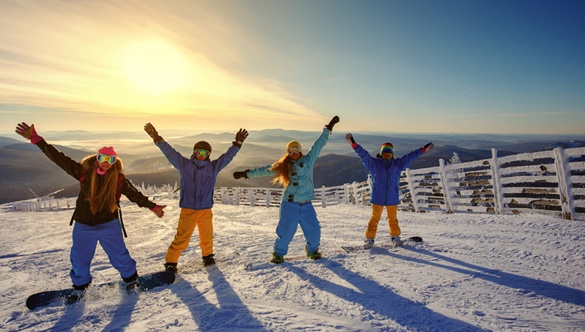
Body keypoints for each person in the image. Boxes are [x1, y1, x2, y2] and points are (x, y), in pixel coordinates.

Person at [15, 122, 166, 300]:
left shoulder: (118, 178)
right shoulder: (83, 172)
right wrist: (36, 139)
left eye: (110, 160)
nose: (106, 163)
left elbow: (135, 195)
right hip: (83, 224)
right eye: (102, 158)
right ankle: (80, 287)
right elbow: (59, 158)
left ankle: (131, 280)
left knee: (119, 254)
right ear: (97, 158)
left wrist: (153, 207)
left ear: (115, 161)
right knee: (79, 257)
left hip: (109, 223)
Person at [233, 116, 339, 263]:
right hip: (290, 204)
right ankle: (278, 253)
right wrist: (246, 174)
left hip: (307, 204)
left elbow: (319, 145)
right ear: (288, 152)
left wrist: (328, 129)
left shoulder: (309, 160)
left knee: (314, 231)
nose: (294, 152)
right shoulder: (283, 166)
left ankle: (313, 251)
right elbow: (265, 170)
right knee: (286, 232)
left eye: (296, 149)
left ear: (300, 150)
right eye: (291, 150)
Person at [144, 123, 248, 272]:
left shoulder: (213, 167)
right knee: (182, 238)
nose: (201, 155)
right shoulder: (185, 165)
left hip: (206, 209)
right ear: (194, 152)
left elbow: (227, 157)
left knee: (207, 236)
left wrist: (237, 144)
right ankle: (171, 263)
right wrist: (157, 138)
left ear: (208, 155)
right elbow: (170, 153)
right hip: (188, 210)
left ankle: (208, 256)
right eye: (199, 152)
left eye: (204, 153)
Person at [345, 133, 434, 248]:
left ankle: (395, 238)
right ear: (381, 154)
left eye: (389, 154)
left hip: (392, 198)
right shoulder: (374, 164)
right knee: (374, 219)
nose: (386, 156)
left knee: (393, 220)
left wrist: (423, 150)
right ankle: (369, 239)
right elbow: (364, 155)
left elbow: (410, 156)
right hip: (378, 198)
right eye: (385, 154)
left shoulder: (397, 164)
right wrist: (354, 145)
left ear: (392, 155)